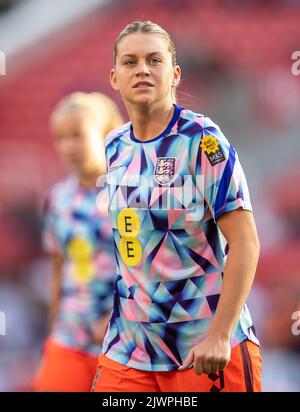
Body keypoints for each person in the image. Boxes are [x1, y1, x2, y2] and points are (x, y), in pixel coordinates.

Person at [92, 21, 262, 393]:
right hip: (129, 351)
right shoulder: (114, 147)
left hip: (203, 350)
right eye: (130, 62)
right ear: (114, 77)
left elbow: (246, 243)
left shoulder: (202, 141)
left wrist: (219, 335)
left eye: (154, 60)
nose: (142, 69)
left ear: (175, 74)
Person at [33, 92, 123, 391]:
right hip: (71, 335)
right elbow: (60, 267)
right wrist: (54, 326)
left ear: (104, 135)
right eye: (60, 138)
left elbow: (148, 266)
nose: (68, 147)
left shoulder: (128, 193)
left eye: (77, 135)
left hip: (125, 341)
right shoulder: (57, 199)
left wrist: (119, 316)